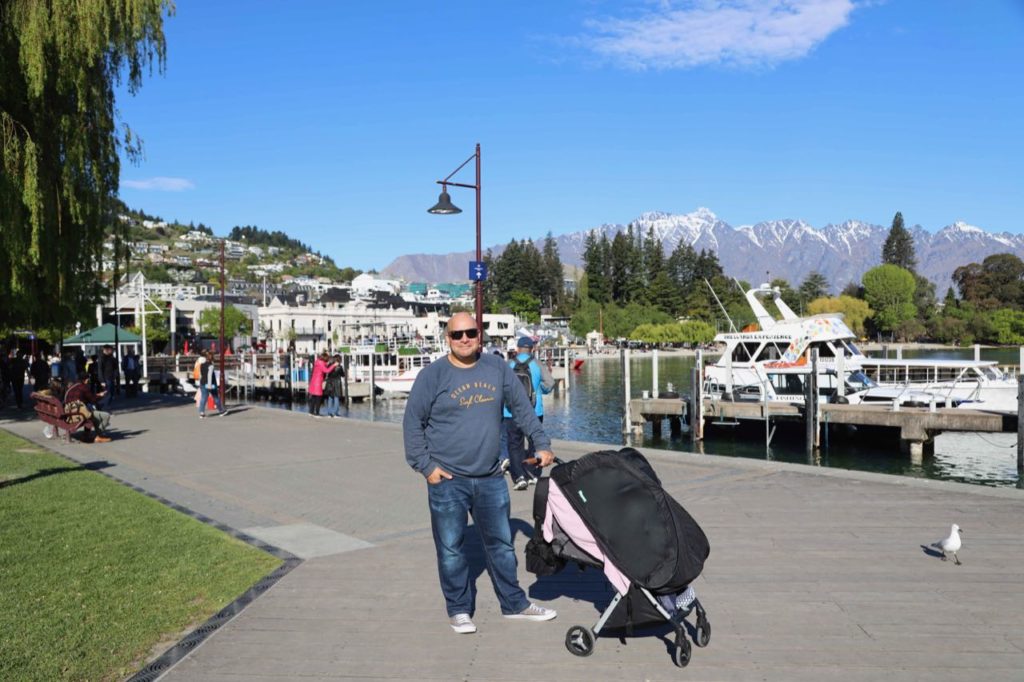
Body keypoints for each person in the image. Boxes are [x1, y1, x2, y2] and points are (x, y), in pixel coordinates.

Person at [403, 312, 558, 635]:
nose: (464, 339)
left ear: (479, 335)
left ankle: (514, 604)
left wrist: (541, 443)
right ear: (447, 339)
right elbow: (412, 425)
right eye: (457, 334)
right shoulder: (432, 375)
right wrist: (426, 467)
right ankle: (459, 609)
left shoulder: (497, 367)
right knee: (450, 547)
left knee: (502, 544)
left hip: (490, 477)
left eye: (470, 332)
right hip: (448, 480)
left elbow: (523, 410)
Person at [503, 337, 555, 490]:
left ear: (517, 349)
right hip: (534, 409)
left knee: (514, 444)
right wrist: (540, 389)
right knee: (534, 442)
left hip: (510, 411)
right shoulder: (537, 364)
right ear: (532, 349)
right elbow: (550, 383)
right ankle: (533, 474)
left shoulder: (509, 365)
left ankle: (519, 476)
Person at [64, 377, 113, 442]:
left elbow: (84, 399)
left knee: (91, 412)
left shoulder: (71, 388)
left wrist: (96, 395)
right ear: (86, 380)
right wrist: (100, 395)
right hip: (79, 414)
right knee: (106, 416)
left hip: (69, 414)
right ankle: (98, 436)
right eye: (88, 380)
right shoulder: (83, 387)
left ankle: (87, 434)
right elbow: (93, 400)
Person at [307, 351, 336, 418]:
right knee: (318, 398)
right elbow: (326, 371)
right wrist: (333, 365)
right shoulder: (321, 363)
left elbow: (323, 365)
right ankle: (317, 413)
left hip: (313, 381)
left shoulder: (317, 362)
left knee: (313, 398)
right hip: (318, 382)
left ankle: (311, 412)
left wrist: (328, 363)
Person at [198, 350, 224, 418]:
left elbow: (201, 374)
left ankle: (201, 413)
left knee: (203, 398)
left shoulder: (202, 365)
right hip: (211, 384)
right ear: (212, 358)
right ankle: (221, 411)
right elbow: (209, 375)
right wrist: (209, 385)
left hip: (202, 383)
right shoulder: (211, 366)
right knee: (216, 397)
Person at [322, 354, 345, 418]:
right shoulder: (339, 367)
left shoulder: (330, 365)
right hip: (336, 383)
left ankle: (329, 413)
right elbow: (343, 375)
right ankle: (336, 413)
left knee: (330, 398)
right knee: (336, 398)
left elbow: (327, 372)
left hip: (329, 382)